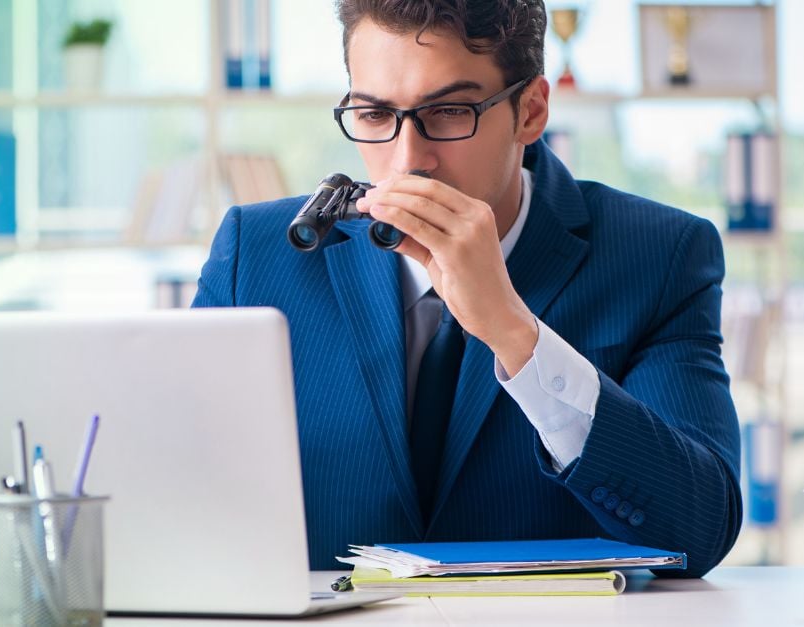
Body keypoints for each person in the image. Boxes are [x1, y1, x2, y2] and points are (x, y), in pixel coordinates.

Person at [192, 0, 741, 577]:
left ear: (531, 111)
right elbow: (172, 486)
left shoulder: (661, 255)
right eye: (376, 116)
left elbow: (698, 534)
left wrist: (516, 333)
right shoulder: (255, 254)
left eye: (450, 112)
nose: (407, 161)